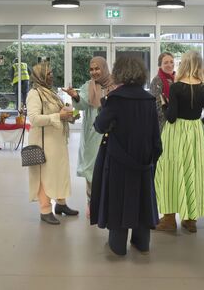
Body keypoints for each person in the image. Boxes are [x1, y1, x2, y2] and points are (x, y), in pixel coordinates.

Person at [91, 56, 162, 256]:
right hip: (144, 161)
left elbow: (100, 126)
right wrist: (151, 160)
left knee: (118, 200)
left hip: (118, 160)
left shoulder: (115, 99)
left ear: (119, 73)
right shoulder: (149, 99)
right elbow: (156, 136)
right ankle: (142, 243)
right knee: (142, 200)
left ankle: (118, 245)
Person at [154, 51, 204, 233]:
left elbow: (171, 117)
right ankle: (190, 219)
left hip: (176, 133)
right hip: (195, 134)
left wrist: (164, 105)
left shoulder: (176, 87)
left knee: (172, 171)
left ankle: (169, 219)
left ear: (184, 65)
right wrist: (195, 125)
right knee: (193, 171)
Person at [25, 61, 79, 225]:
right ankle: (45, 210)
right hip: (44, 143)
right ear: (40, 75)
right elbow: (34, 119)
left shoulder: (50, 92)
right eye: (48, 73)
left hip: (57, 142)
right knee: (45, 176)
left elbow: (59, 112)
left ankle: (61, 204)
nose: (51, 76)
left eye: (51, 72)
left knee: (59, 173)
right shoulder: (35, 93)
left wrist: (70, 115)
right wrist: (58, 116)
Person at [64, 56, 115, 209]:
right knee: (91, 167)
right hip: (93, 132)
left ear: (104, 68)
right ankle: (91, 202)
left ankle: (108, 203)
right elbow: (83, 105)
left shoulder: (115, 85)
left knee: (111, 167)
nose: (94, 72)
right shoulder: (88, 86)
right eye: (91, 69)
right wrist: (75, 96)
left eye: (97, 68)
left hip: (113, 132)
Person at [149, 52, 175, 130]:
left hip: (175, 121)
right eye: (166, 63)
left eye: (171, 62)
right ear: (160, 65)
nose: (170, 65)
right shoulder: (157, 80)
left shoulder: (175, 78)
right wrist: (171, 115)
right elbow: (156, 105)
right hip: (163, 123)